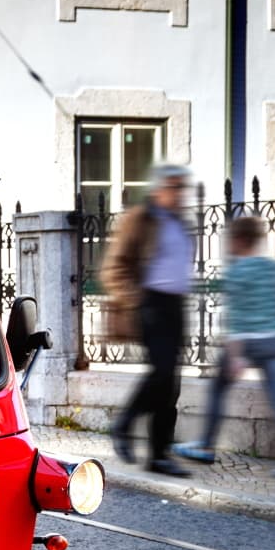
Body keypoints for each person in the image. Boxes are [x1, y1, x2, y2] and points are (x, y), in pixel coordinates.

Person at [175, 215, 275, 479]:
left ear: (239, 240)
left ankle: (205, 445)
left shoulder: (237, 272)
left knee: (218, 389)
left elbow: (235, 319)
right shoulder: (274, 268)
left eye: (230, 239)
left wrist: (236, 358)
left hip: (249, 342)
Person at [103, 163, 196, 476]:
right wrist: (137, 300)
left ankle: (158, 452)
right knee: (162, 374)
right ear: (158, 190)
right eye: (174, 187)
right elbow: (114, 268)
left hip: (176, 305)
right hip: (150, 303)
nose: (180, 193)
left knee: (172, 381)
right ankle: (129, 426)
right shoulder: (139, 220)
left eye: (182, 188)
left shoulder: (181, 223)